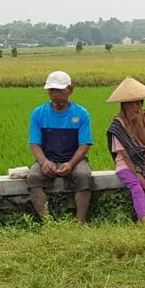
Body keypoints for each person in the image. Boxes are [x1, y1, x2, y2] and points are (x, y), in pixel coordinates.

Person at [27, 70, 94, 223]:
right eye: (51, 90)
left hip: (74, 158)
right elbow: (35, 143)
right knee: (33, 177)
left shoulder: (81, 114)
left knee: (83, 176)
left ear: (70, 90)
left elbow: (84, 145)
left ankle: (80, 221)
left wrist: (71, 164)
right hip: (48, 157)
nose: (55, 94)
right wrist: (44, 162)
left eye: (59, 90)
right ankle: (47, 222)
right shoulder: (38, 113)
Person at [107, 76, 145, 223]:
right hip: (126, 164)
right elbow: (124, 154)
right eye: (130, 104)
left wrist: (138, 126)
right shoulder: (118, 124)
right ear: (123, 105)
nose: (134, 107)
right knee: (137, 187)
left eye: (138, 102)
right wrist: (137, 174)